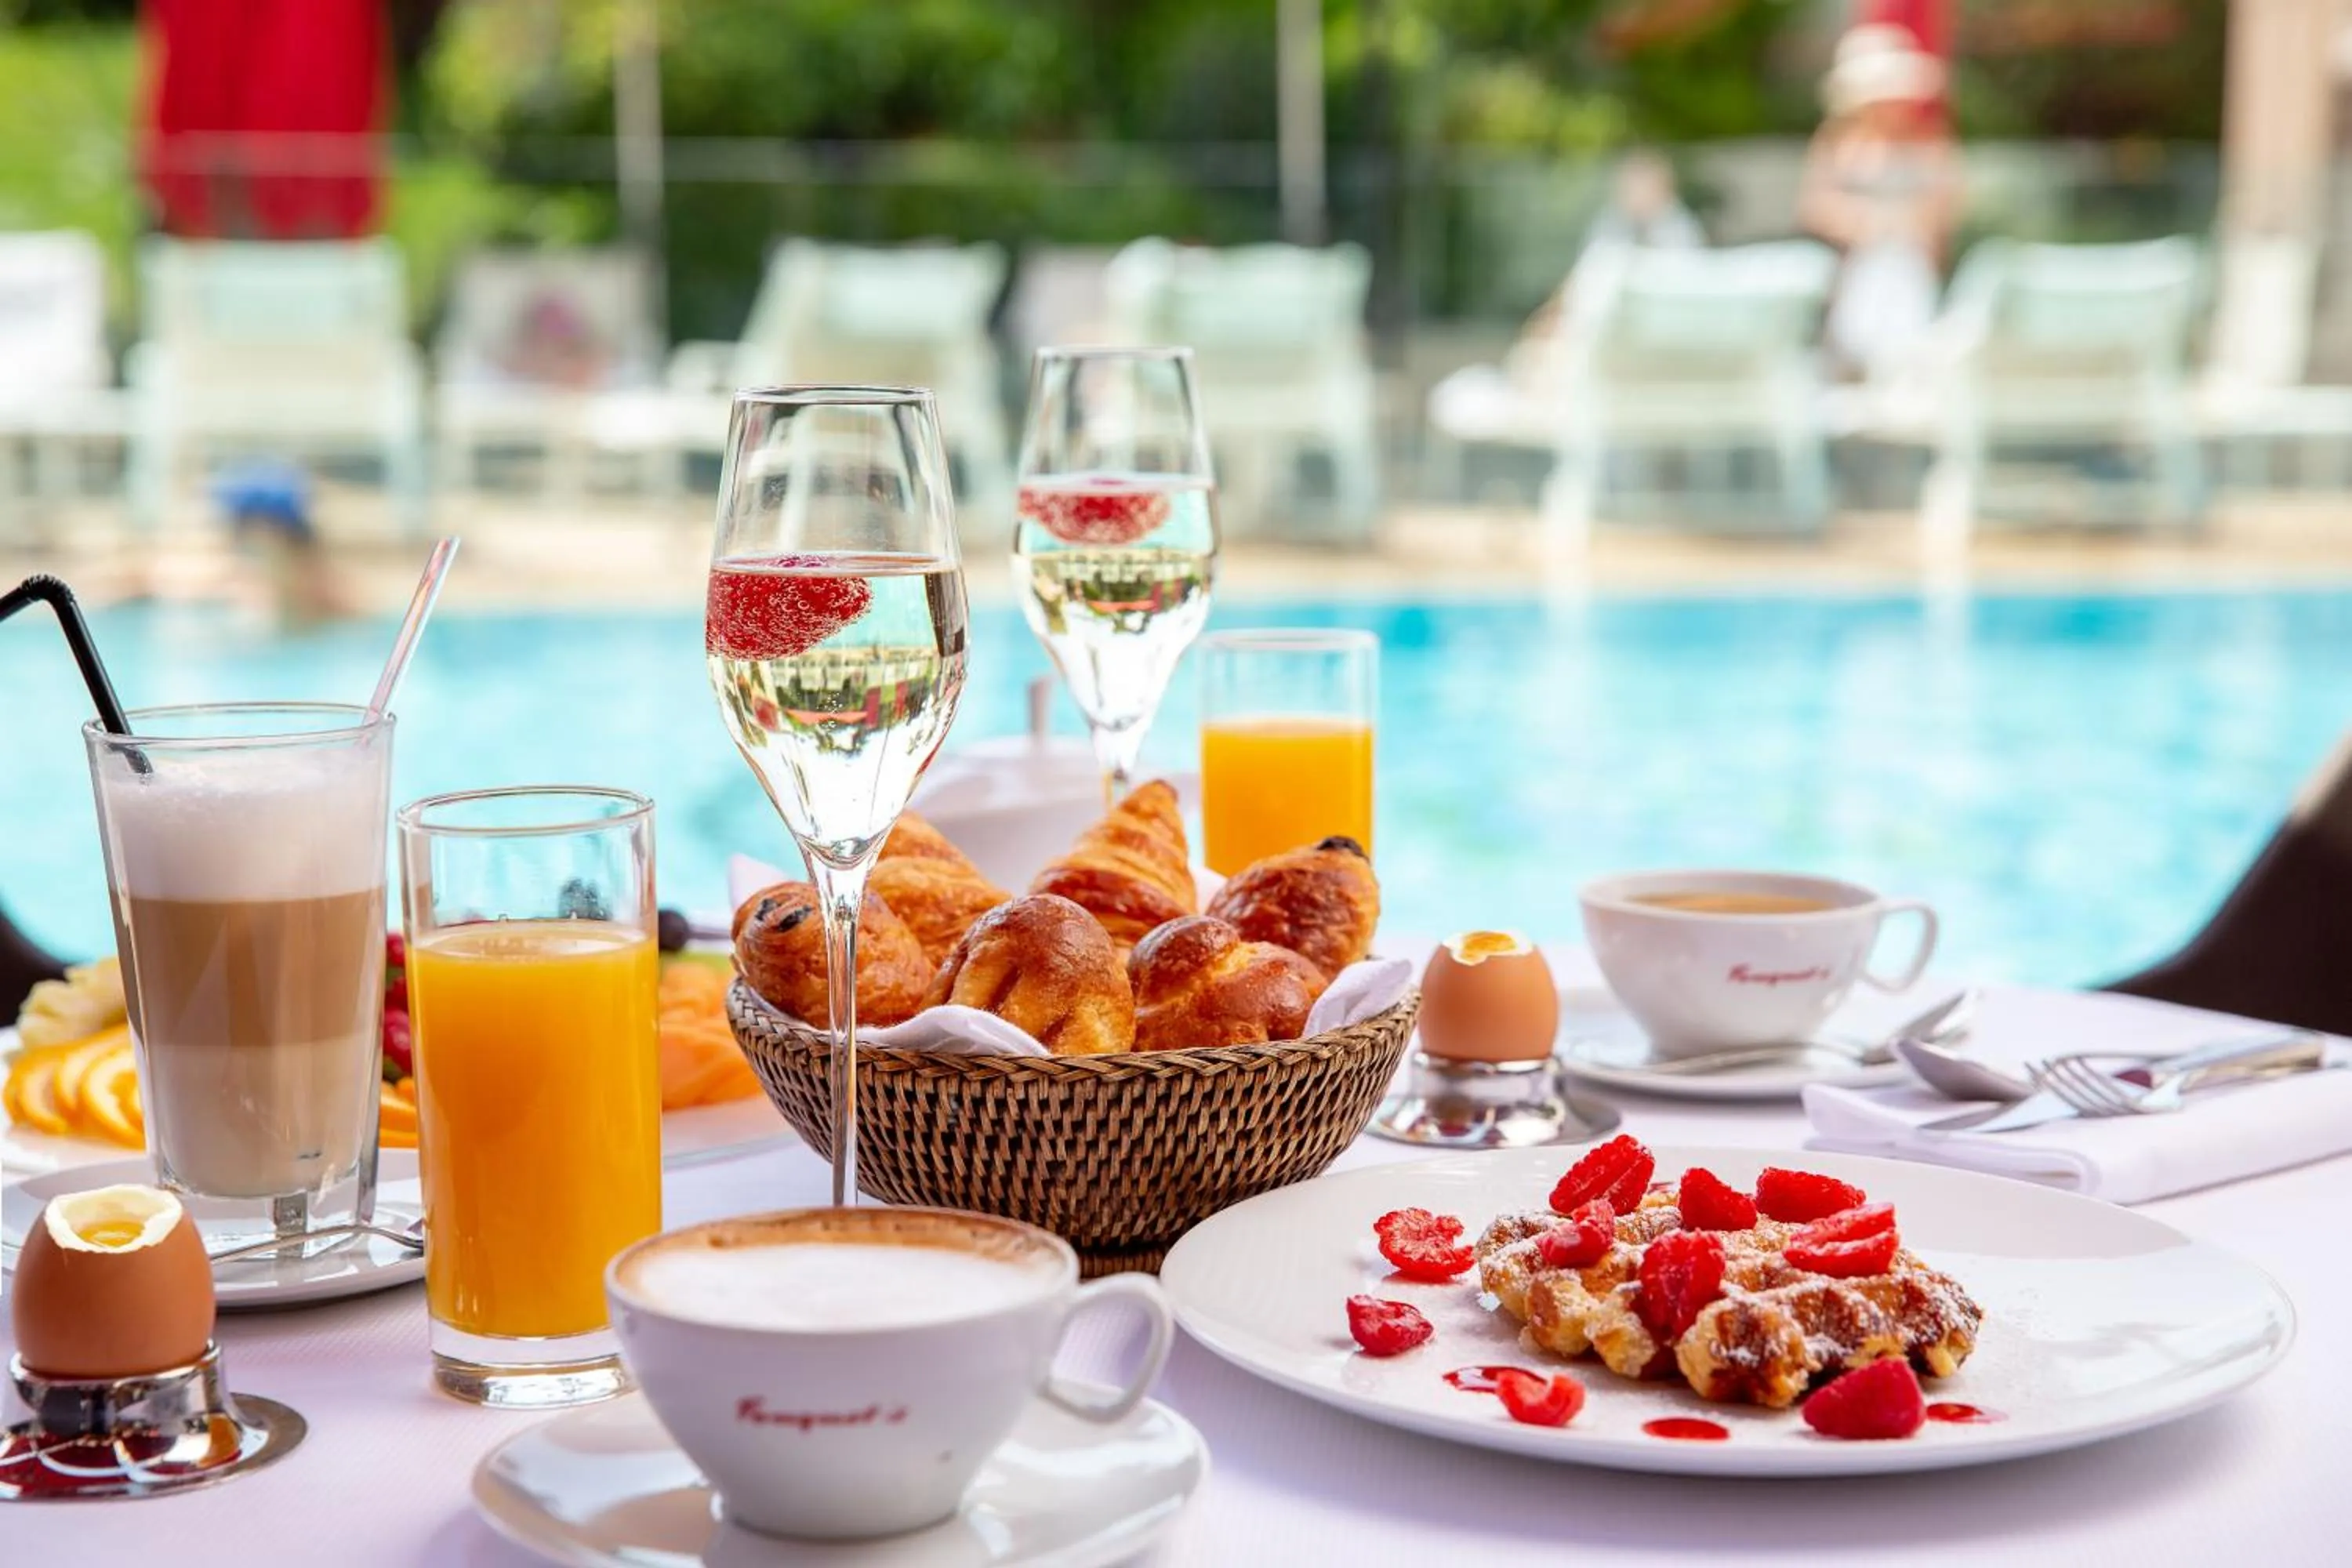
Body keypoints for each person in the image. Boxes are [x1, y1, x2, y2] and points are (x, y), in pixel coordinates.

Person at [1799, 25, 1959, 383]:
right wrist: (1865, 223)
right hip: (1853, 274)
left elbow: (1948, 205)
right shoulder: (1838, 143)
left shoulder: (1931, 142)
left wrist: (1906, 225)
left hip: (1914, 271)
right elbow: (1815, 206)